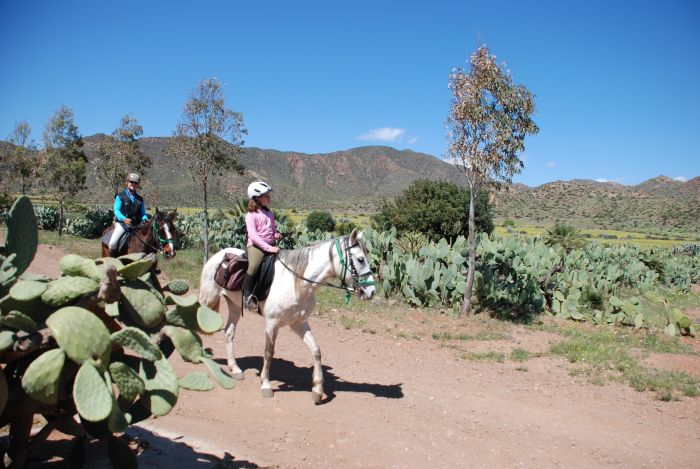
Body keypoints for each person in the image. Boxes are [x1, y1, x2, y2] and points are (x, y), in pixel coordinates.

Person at [243, 181, 281, 309]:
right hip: (256, 246)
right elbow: (253, 236)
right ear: (258, 198)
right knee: (253, 266)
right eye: (267, 196)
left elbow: (272, 229)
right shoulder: (251, 215)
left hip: (270, 244)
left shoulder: (270, 213)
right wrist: (268, 248)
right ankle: (247, 296)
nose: (269, 198)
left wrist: (276, 235)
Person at [108, 172, 149, 257]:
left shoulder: (140, 199)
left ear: (138, 185)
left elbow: (143, 213)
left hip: (136, 225)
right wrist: (124, 219)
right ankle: (112, 261)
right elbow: (116, 210)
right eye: (131, 182)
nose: (133, 184)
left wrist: (145, 219)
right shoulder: (120, 196)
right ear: (127, 183)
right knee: (112, 243)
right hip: (122, 224)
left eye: (135, 183)